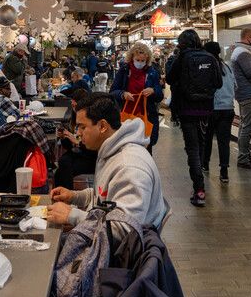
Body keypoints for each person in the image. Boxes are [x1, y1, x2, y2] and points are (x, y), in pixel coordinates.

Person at [46, 93, 167, 229]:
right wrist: (74, 196)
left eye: (82, 127)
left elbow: (123, 230)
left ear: (103, 126)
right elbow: (104, 196)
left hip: (125, 248)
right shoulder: (109, 150)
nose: (78, 133)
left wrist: (73, 215)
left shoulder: (129, 167)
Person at [166, 29, 220, 207]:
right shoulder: (210, 57)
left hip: (187, 109)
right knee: (203, 145)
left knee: (192, 149)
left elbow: (169, 79)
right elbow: (218, 82)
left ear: (182, 43)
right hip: (206, 110)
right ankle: (201, 181)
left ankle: (199, 189)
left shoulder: (182, 58)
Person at [110, 42, 164, 154]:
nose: (140, 63)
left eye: (142, 61)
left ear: (147, 59)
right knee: (126, 147)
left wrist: (153, 91)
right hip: (126, 115)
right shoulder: (124, 71)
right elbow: (113, 91)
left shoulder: (152, 73)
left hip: (146, 115)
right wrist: (123, 94)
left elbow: (160, 96)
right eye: (137, 60)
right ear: (132, 58)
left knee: (146, 147)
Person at [201, 41, 235, 185]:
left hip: (211, 109)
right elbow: (235, 85)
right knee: (224, 141)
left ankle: (205, 164)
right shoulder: (227, 67)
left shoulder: (206, 67)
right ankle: (224, 172)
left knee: (207, 138)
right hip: (228, 109)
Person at [230, 28, 251, 171]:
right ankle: (243, 158)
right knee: (248, 127)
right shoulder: (243, 52)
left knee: (244, 126)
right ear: (249, 37)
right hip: (248, 93)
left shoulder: (238, 51)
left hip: (243, 92)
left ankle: (245, 155)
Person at [53, 86, 97, 190]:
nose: (73, 108)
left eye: (75, 106)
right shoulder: (74, 118)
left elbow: (93, 148)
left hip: (91, 156)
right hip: (80, 152)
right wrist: (64, 137)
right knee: (60, 170)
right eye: (72, 106)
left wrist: (77, 142)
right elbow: (68, 146)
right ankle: (62, 194)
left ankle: (68, 196)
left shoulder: (91, 120)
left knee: (65, 165)